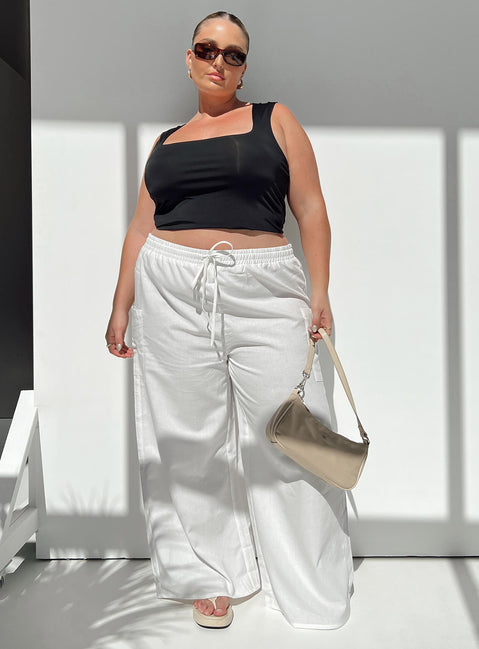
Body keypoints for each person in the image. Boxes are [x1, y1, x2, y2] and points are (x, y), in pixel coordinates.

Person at [105, 10, 353, 630]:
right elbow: (140, 228)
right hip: (169, 289)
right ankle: (210, 575)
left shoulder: (274, 119)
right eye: (207, 49)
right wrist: (121, 304)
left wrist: (319, 291)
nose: (219, 61)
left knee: (294, 435)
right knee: (188, 440)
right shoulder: (166, 143)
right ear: (189, 58)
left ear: (244, 67)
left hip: (264, 287)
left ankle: (310, 585)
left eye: (233, 54)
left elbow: (312, 209)